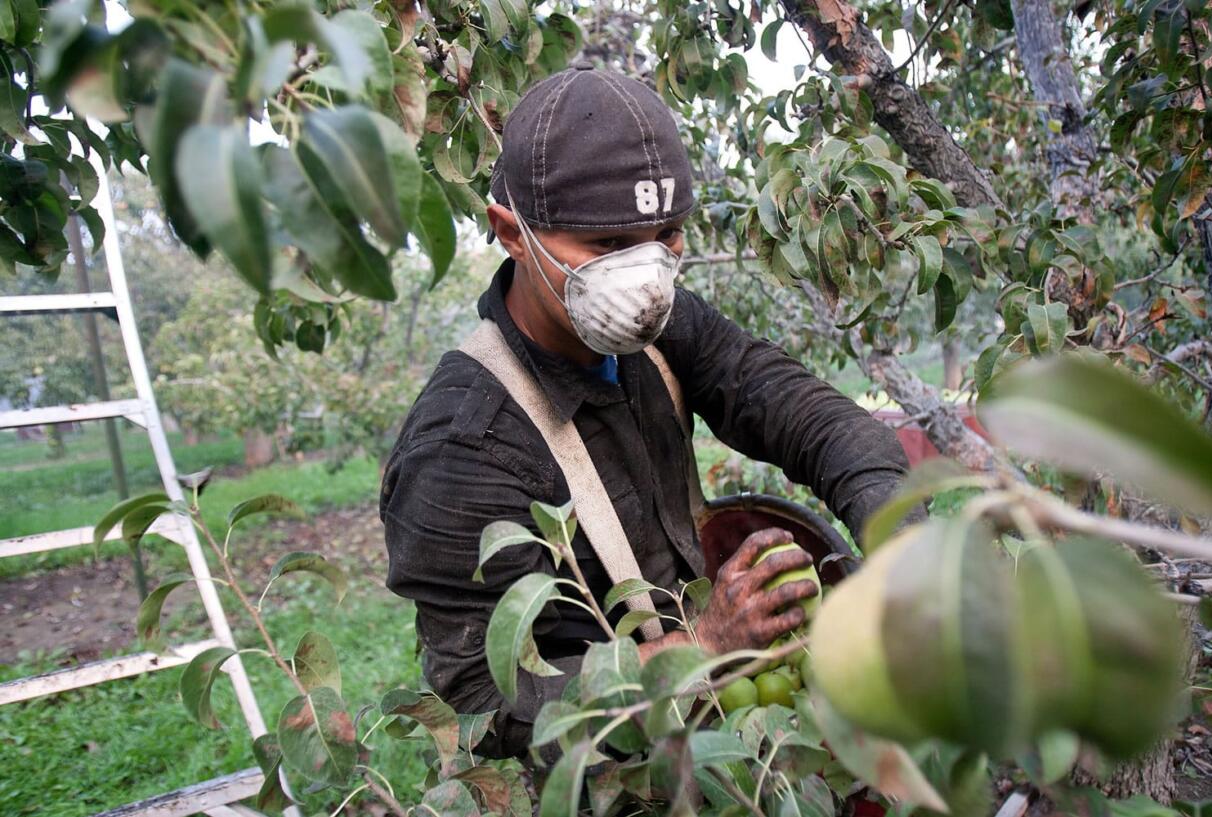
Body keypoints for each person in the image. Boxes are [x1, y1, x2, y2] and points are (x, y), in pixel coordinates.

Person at [380, 64, 919, 758]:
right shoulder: (462, 448)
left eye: (666, 236)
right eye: (606, 246)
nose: (644, 277)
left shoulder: (656, 325)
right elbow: (482, 706)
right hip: (609, 767)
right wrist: (702, 645)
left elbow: (786, 402)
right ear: (511, 233)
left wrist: (897, 525)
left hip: (725, 711)